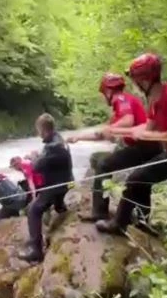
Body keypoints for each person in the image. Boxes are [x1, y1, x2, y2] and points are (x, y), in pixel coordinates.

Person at [95, 53, 167, 247]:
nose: (134, 85)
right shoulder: (155, 99)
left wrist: (148, 136)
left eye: (135, 80)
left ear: (145, 79)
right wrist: (116, 130)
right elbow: (147, 128)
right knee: (136, 178)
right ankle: (121, 223)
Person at [65, 72, 152, 221]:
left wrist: (111, 128)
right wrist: (79, 137)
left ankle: (99, 212)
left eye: (103, 93)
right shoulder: (124, 104)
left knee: (104, 165)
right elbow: (103, 134)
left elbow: (128, 120)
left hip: (143, 146)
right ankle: (142, 218)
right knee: (140, 180)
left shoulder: (121, 99)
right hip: (149, 147)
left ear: (108, 90)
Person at [18, 113, 74, 262]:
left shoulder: (53, 146)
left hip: (57, 185)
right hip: (66, 181)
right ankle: (61, 208)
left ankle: (36, 250)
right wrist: (40, 155)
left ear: (45, 130)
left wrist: (33, 157)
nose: (39, 135)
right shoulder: (59, 139)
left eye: (39, 131)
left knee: (33, 210)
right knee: (56, 203)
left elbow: (36, 167)